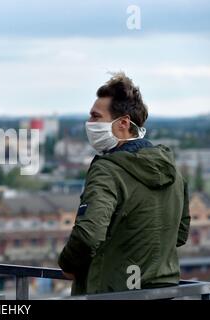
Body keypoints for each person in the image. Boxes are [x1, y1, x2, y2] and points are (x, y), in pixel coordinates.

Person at [58, 72, 190, 295]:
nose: (89, 124)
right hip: (163, 292)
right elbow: (180, 233)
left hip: (113, 292)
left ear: (123, 124)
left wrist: (68, 265)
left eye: (95, 117)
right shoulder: (173, 170)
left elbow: (89, 234)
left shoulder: (108, 169)